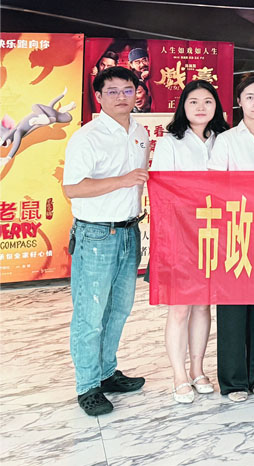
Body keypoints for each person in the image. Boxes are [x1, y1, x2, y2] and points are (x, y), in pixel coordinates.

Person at [62, 66, 150, 416]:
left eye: (127, 90)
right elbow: (72, 188)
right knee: (90, 313)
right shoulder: (87, 137)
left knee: (119, 309)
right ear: (98, 97)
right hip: (96, 234)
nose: (121, 97)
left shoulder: (140, 132)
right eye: (112, 91)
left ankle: (106, 372)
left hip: (129, 231)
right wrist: (122, 180)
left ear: (137, 93)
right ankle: (87, 386)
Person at [151, 79, 229, 404]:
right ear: (183, 105)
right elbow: (162, 189)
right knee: (180, 307)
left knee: (203, 304)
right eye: (193, 101)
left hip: (215, 233)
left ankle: (198, 369)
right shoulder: (170, 142)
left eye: (208, 101)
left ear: (216, 107)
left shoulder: (224, 139)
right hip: (180, 234)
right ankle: (179, 374)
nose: (201, 107)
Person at [207, 73, 254, 402]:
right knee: (233, 307)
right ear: (239, 101)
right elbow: (214, 185)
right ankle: (233, 381)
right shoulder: (226, 140)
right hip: (234, 230)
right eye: (250, 97)